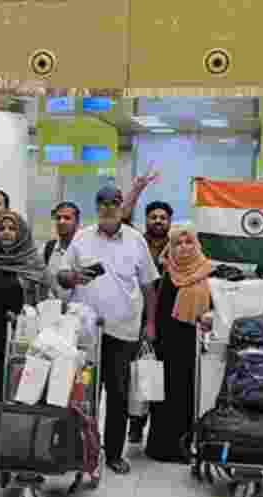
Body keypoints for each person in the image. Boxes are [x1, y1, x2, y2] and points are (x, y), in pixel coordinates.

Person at [57, 186, 160, 475]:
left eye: (114, 202)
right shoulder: (81, 238)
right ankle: (80, 448)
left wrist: (150, 323)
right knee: (83, 392)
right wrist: (74, 277)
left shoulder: (136, 240)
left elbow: (149, 286)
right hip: (86, 333)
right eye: (102, 203)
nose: (108, 207)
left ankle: (114, 453)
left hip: (123, 331)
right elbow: (63, 276)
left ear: (122, 206)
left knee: (117, 394)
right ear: (96, 207)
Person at [0, 211, 51, 468]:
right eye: (3, 228)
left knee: (18, 391)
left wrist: (22, 317)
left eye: (12, 229)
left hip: (22, 337)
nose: (6, 232)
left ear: (22, 233)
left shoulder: (33, 263)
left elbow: (43, 300)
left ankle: (18, 446)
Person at [143, 225, 212, 463]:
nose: (184, 247)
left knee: (188, 393)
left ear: (197, 245)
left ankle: (186, 445)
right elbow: (154, 305)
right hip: (165, 343)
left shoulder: (205, 271)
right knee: (164, 395)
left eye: (189, 242)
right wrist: (150, 330)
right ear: (170, 247)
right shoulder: (164, 272)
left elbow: (213, 308)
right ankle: (161, 447)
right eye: (178, 243)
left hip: (193, 345)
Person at [129, 200, 174, 445]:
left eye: (163, 217)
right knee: (138, 372)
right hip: (136, 315)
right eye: (153, 217)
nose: (158, 221)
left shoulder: (177, 246)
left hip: (167, 318)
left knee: (160, 373)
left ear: (169, 222)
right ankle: (135, 423)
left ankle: (157, 427)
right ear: (146, 220)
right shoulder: (136, 243)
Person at [44, 202, 81, 299]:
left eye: (67, 218)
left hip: (80, 311)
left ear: (77, 223)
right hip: (53, 310)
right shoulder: (48, 248)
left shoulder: (86, 249)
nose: (61, 222)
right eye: (58, 218)